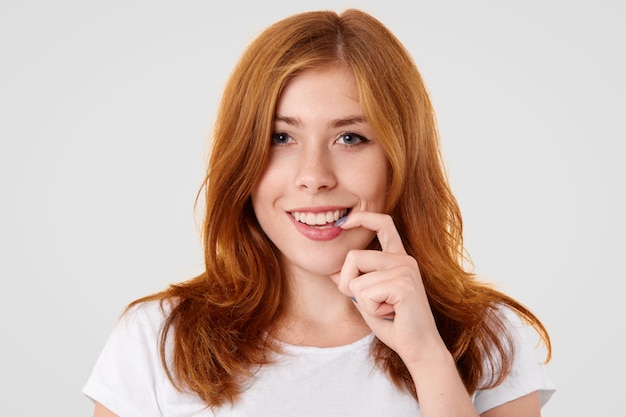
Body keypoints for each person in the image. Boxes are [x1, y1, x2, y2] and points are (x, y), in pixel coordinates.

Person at [83, 8, 555, 417]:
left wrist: (427, 355)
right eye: (281, 138)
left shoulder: (488, 337)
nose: (314, 176)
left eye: (350, 138)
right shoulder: (157, 340)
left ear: (399, 157)